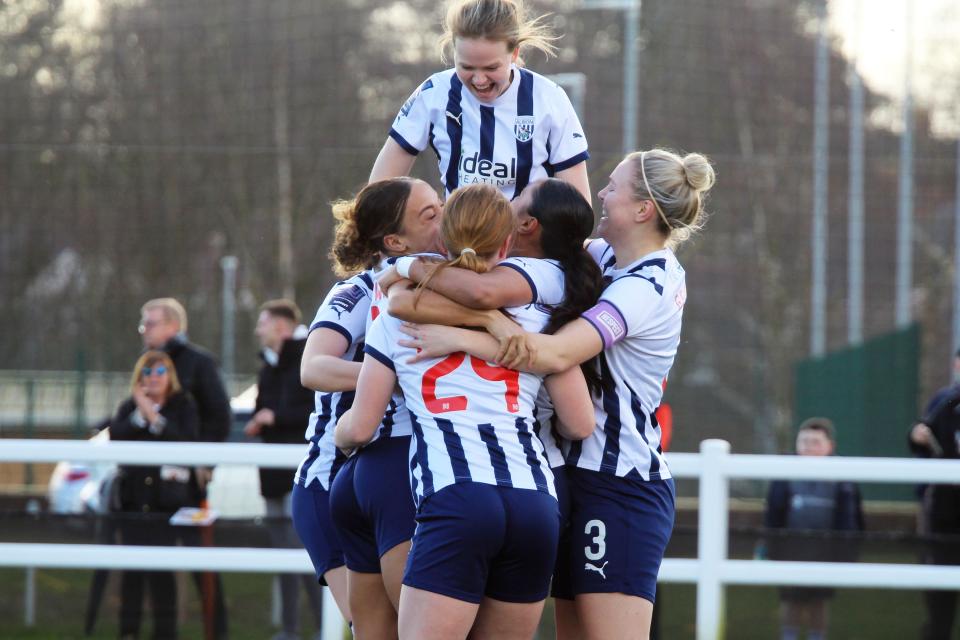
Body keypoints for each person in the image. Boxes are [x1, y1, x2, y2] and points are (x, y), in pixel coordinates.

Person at [396, 148, 716, 639]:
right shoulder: (600, 255)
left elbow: (557, 353)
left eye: (612, 186)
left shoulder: (649, 284)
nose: (602, 195)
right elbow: (495, 291)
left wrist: (461, 319)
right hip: (568, 474)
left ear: (643, 210)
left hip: (619, 482)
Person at [335, 183, 596, 640]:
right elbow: (578, 422)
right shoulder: (537, 318)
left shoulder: (398, 317)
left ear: (445, 238)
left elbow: (360, 426)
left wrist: (337, 435)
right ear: (509, 243)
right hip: (535, 503)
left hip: (459, 497)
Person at [294, 176, 443, 630]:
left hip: (389, 468)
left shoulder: (440, 283)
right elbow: (313, 367)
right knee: (381, 627)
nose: (444, 217)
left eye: (441, 204)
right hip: (332, 474)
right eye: (430, 214)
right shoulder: (361, 291)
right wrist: (390, 378)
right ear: (395, 241)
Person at [369, 0, 591, 203]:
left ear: (514, 54)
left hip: (528, 243)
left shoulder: (549, 98)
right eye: (466, 67)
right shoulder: (434, 93)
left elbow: (578, 204)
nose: (479, 79)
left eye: (491, 68)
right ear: (454, 51)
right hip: (456, 242)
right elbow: (380, 189)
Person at [138, 297, 231, 640]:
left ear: (173, 326)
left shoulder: (199, 363)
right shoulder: (147, 365)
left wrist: (203, 463)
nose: (144, 330)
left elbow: (220, 416)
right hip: (150, 487)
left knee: (201, 564)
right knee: (156, 565)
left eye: (150, 323)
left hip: (188, 484)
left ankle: (216, 633)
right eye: (143, 323)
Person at [244, 299, 323, 640]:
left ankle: (325, 627)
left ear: (280, 325)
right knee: (282, 558)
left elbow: (316, 411)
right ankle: (289, 630)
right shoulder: (268, 367)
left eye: (263, 322)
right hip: (272, 475)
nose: (258, 329)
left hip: (301, 473)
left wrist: (273, 418)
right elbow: (263, 408)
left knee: (305, 556)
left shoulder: (310, 357)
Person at [110, 351, 199, 640]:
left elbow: (186, 441)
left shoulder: (183, 406)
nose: (154, 378)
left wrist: (155, 418)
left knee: (163, 576)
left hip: (167, 505)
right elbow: (116, 437)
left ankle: (165, 633)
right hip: (133, 503)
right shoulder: (128, 408)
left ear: (170, 375)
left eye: (160, 371)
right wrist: (140, 415)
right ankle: (129, 632)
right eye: (147, 373)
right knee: (132, 575)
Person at [764, 418, 864, 640]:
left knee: (819, 602)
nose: (809, 447)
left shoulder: (843, 478)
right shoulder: (784, 473)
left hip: (827, 551)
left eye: (815, 442)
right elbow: (773, 514)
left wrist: (847, 552)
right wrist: (772, 548)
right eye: (804, 441)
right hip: (791, 550)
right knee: (791, 600)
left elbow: (851, 518)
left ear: (830, 446)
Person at [909, 354, 960, 640]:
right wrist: (917, 435)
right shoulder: (948, 401)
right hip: (945, 515)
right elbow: (922, 434)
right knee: (940, 602)